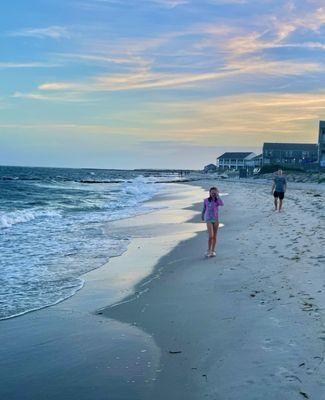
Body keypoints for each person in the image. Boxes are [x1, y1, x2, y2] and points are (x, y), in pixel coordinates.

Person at [201, 187, 224, 257]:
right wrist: (202, 215)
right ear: (210, 193)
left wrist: (218, 196)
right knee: (211, 236)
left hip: (216, 220)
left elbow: (222, 204)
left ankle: (213, 251)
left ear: (216, 193)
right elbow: (204, 209)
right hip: (208, 220)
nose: (213, 194)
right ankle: (208, 250)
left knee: (214, 236)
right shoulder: (206, 200)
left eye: (215, 193)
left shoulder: (217, 201)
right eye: (212, 193)